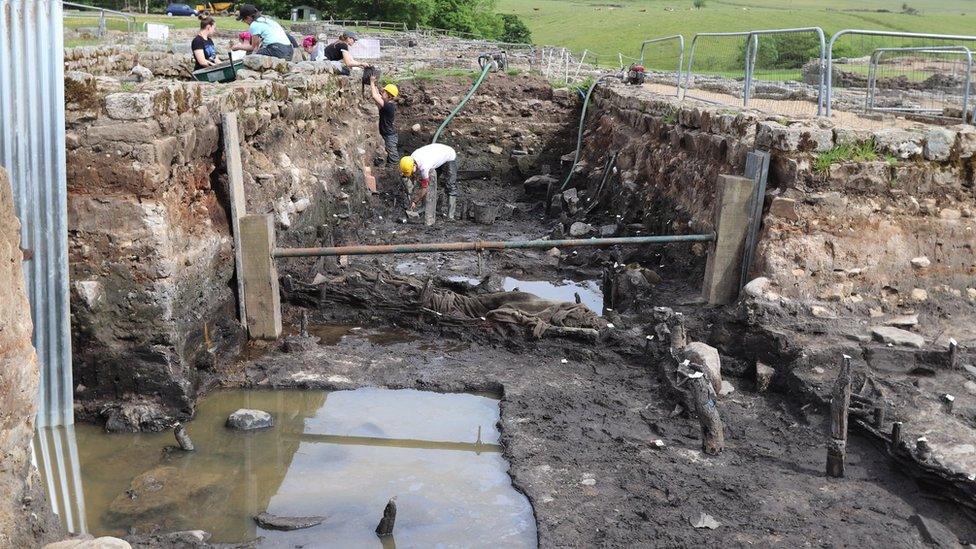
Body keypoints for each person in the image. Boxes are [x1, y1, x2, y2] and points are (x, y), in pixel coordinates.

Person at [400, 143, 459, 220]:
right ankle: (424, 208)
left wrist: (415, 201)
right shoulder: (411, 159)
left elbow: (424, 188)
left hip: (448, 156)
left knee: (450, 186)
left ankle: (450, 216)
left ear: (414, 165)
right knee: (430, 183)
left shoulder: (424, 167)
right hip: (436, 156)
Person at [369, 75, 400, 165]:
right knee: (389, 153)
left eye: (384, 92)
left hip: (390, 136)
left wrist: (371, 82)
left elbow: (375, 97)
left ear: (389, 95)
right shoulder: (388, 104)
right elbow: (377, 96)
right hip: (387, 134)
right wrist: (374, 85)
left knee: (393, 157)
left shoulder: (389, 106)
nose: (382, 93)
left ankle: (395, 173)